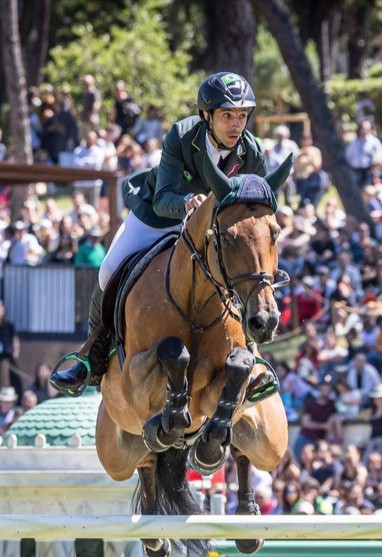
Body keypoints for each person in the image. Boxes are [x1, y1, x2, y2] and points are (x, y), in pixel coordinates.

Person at [50, 72, 278, 400]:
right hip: (161, 216)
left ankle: (253, 360)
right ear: (206, 116)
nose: (236, 125)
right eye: (227, 115)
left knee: (244, 275)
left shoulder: (251, 152)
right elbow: (162, 197)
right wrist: (187, 202)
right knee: (108, 269)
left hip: (212, 230)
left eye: (242, 116)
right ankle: (91, 354)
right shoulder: (183, 136)